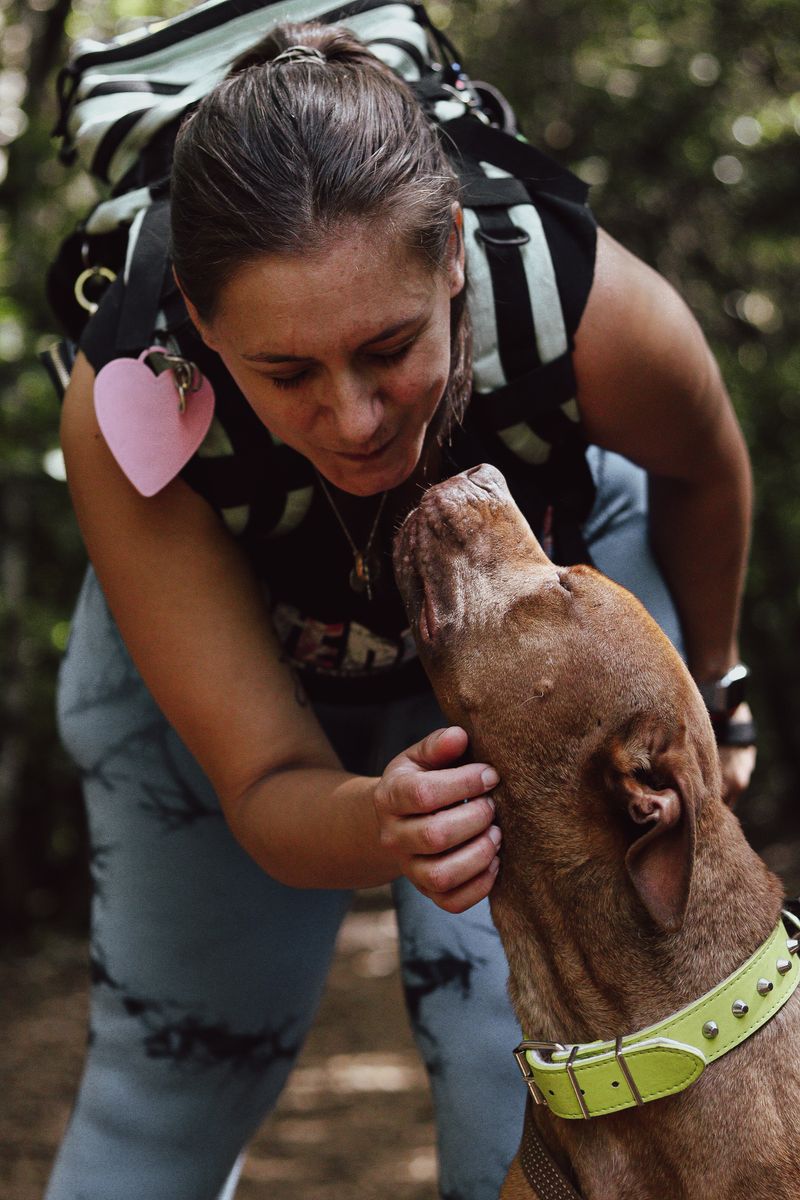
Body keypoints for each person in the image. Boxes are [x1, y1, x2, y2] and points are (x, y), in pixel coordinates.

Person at [48, 19, 755, 1200]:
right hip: (240, 665)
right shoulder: (128, 399)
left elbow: (702, 469)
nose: (355, 418)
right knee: (172, 1075)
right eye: (286, 373)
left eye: (387, 348)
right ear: (200, 321)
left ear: (453, 262)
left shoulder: (577, 304)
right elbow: (265, 784)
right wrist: (383, 823)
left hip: (528, 633)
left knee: (519, 1058)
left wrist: (716, 687)